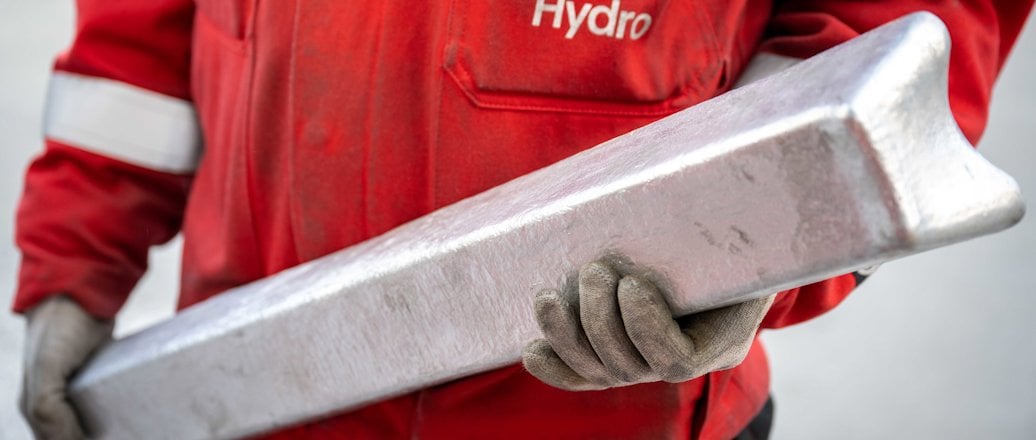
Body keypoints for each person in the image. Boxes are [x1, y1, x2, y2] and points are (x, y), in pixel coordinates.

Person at [15, 1, 1033, 439]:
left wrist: (765, 237)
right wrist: (73, 256)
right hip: (261, 399)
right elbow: (139, 46)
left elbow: (896, 24)